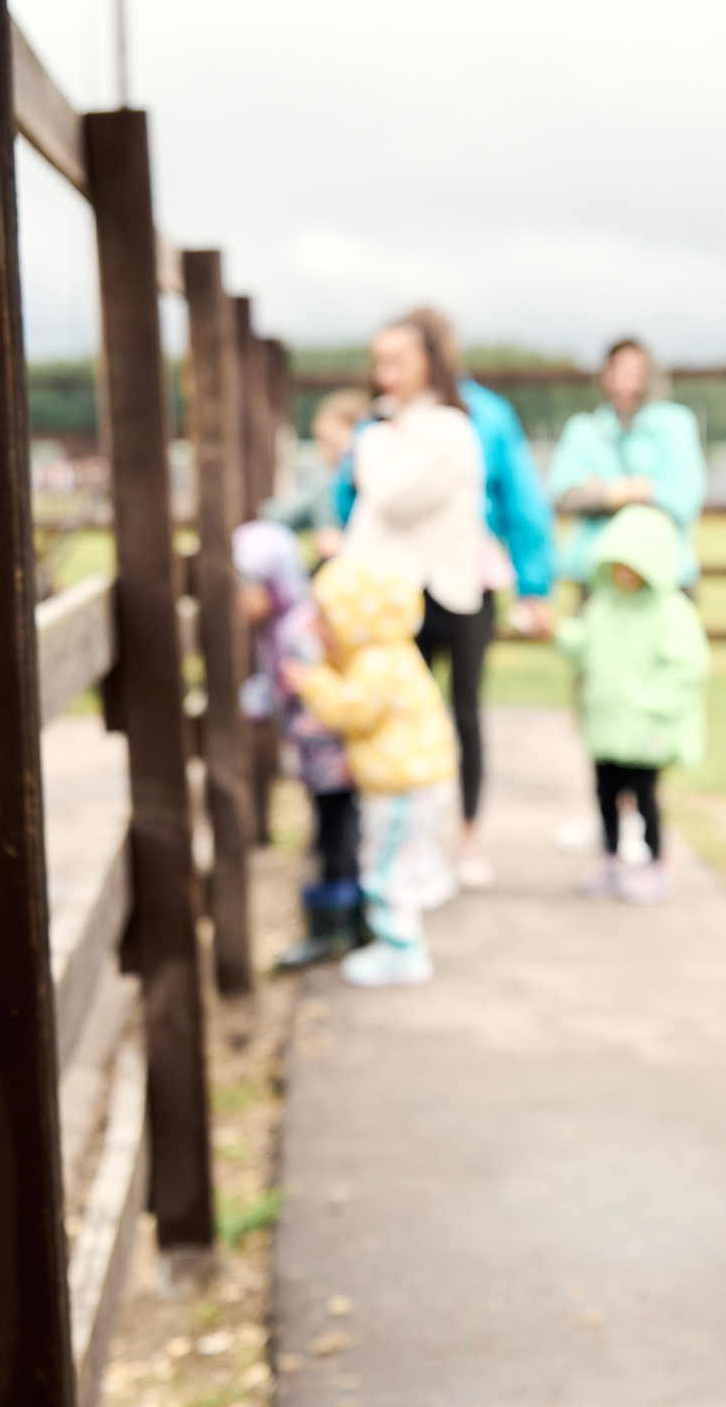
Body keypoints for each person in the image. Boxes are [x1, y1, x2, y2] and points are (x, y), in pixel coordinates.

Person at [337, 307, 560, 886]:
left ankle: (468, 834)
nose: (388, 371)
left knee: (464, 713)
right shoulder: (378, 424)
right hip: (395, 590)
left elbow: (521, 501)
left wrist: (534, 585)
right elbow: (355, 501)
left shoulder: (478, 417)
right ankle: (408, 836)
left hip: (463, 579)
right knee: (402, 709)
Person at [290, 557, 458, 988]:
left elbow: (349, 711)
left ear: (352, 620)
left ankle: (402, 950)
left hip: (401, 788)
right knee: (404, 862)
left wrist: (311, 682)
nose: (317, 626)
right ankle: (406, 928)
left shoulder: (375, 663)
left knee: (384, 871)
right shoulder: (393, 653)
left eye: (325, 618)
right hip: (415, 783)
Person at [553, 505, 708, 905]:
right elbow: (584, 647)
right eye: (618, 564)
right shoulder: (603, 606)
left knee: (645, 798)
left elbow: (687, 667)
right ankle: (611, 859)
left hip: (643, 730)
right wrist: (554, 630)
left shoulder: (672, 613)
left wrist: (651, 705)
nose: (624, 573)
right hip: (606, 726)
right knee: (604, 796)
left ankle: (655, 863)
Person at [234, 520, 360, 970]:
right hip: (315, 759)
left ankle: (336, 929)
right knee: (330, 834)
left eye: (245, 588)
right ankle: (343, 924)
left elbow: (314, 691)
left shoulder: (297, 630)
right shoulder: (278, 628)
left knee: (337, 837)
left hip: (332, 760)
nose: (239, 600)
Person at [546, 338, 707, 587]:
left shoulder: (675, 424)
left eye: (635, 373)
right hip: (597, 574)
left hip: (660, 574)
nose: (626, 383)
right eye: (618, 371)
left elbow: (683, 498)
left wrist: (604, 492)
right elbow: (564, 494)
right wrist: (628, 491)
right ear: (605, 376)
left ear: (650, 377)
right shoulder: (584, 429)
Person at [263, 386, 370, 556]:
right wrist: (315, 538)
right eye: (323, 442)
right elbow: (277, 513)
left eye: (333, 442)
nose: (327, 451)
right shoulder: (323, 480)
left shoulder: (371, 479)